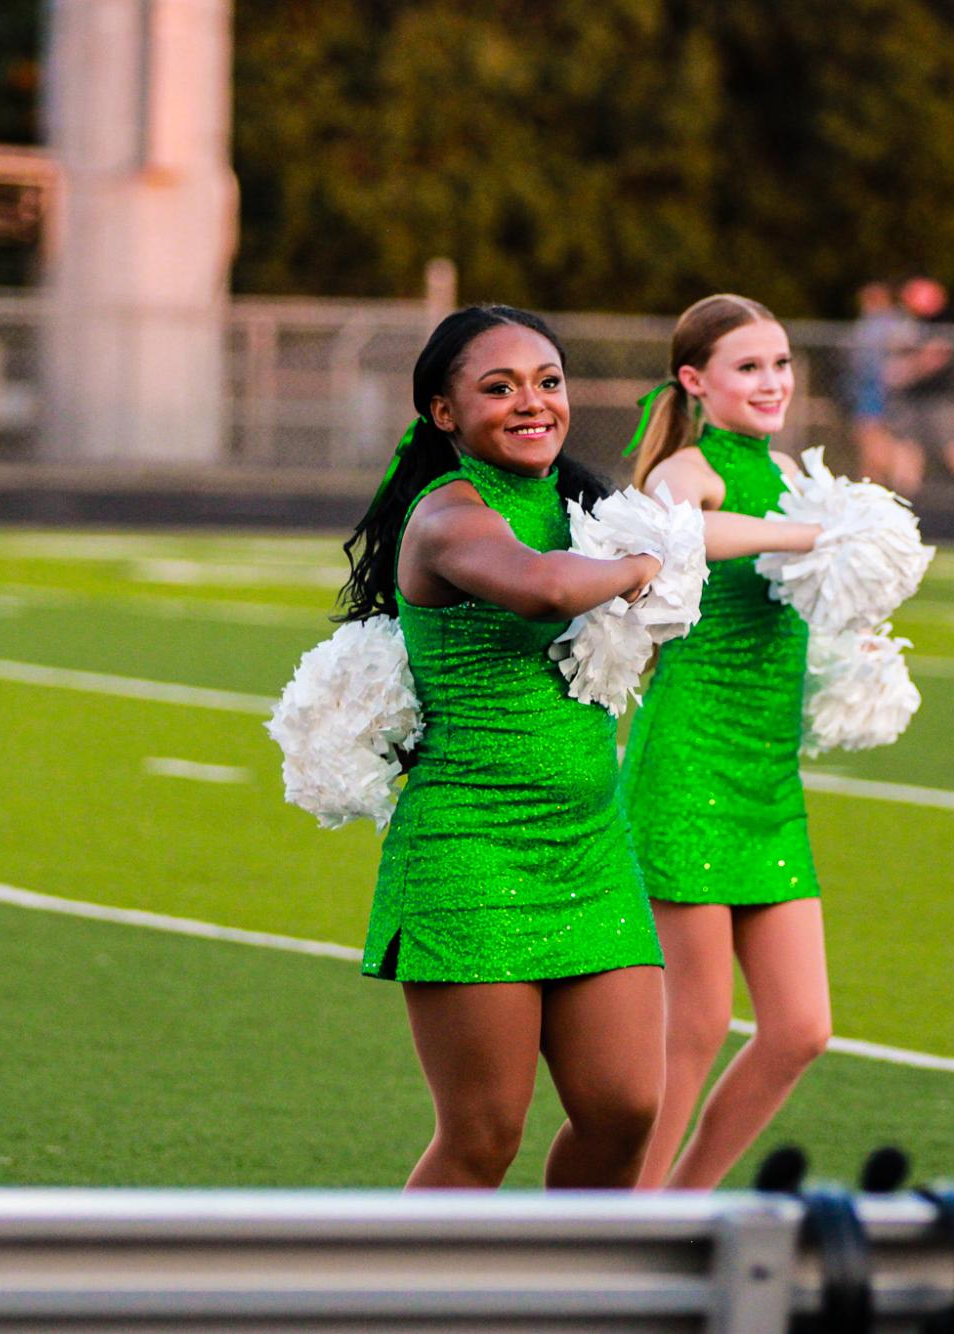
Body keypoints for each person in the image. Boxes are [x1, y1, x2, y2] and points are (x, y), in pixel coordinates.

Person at [339, 305, 668, 1190]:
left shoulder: (586, 509)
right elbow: (543, 587)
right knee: (484, 1136)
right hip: (472, 852)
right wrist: (646, 567)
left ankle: (561, 1300)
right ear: (443, 414)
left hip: (592, 849)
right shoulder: (447, 517)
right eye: (499, 387)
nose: (532, 403)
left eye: (547, 382)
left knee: (627, 1109)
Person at [619, 294, 831, 1190]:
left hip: (765, 779)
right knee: (694, 1025)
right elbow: (682, 537)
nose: (772, 382)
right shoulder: (685, 470)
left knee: (799, 1030)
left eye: (780, 364)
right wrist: (813, 535)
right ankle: (623, 1222)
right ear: (694, 381)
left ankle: (680, 1204)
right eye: (749, 367)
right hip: (689, 766)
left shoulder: (788, 469)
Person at [886, 276, 954, 500]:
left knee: (952, 442)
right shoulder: (911, 326)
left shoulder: (938, 326)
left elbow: (933, 357)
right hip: (912, 399)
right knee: (907, 443)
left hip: (938, 398)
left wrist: (904, 371)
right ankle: (903, 495)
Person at [845, 280, 922, 493]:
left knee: (878, 439)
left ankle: (899, 481)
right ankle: (874, 485)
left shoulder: (889, 324)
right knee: (871, 439)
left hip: (883, 392)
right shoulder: (877, 323)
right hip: (869, 390)